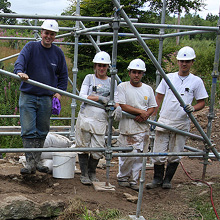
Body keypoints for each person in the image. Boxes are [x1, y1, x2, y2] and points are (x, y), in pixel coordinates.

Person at [146, 46, 208, 189]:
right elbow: (158, 98)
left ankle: (167, 180)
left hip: (181, 122)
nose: (184, 64)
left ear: (192, 62)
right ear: (178, 62)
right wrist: (152, 116)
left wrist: (193, 108)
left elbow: (202, 102)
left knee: (175, 153)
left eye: (187, 61)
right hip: (165, 119)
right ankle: (157, 179)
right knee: (158, 151)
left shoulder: (196, 81)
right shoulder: (168, 77)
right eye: (181, 61)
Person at [14, 19, 68, 175]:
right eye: (46, 33)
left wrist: (59, 92)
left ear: (55, 35)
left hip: (46, 97)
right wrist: (20, 72)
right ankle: (30, 163)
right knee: (28, 130)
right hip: (28, 95)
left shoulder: (57, 53)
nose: (48, 36)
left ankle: (36, 161)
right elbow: (20, 62)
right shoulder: (31, 47)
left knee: (42, 130)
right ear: (41, 33)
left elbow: (63, 75)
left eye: (52, 34)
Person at [75, 51, 121, 185]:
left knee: (97, 148)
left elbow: (116, 99)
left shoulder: (112, 82)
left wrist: (117, 107)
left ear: (108, 67)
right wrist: (100, 98)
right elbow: (82, 96)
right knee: (83, 145)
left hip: (101, 119)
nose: (101, 68)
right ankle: (84, 174)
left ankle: (92, 172)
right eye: (99, 65)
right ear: (95, 66)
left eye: (104, 66)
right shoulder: (90, 78)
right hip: (86, 116)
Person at [116, 58, 157, 191]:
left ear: (143, 74)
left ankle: (134, 180)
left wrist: (146, 114)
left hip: (142, 128)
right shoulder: (123, 87)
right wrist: (140, 112)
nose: (136, 75)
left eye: (139, 72)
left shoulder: (148, 89)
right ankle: (123, 177)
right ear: (129, 73)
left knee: (140, 156)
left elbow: (152, 106)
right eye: (134, 72)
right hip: (127, 128)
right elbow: (122, 105)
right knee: (128, 155)